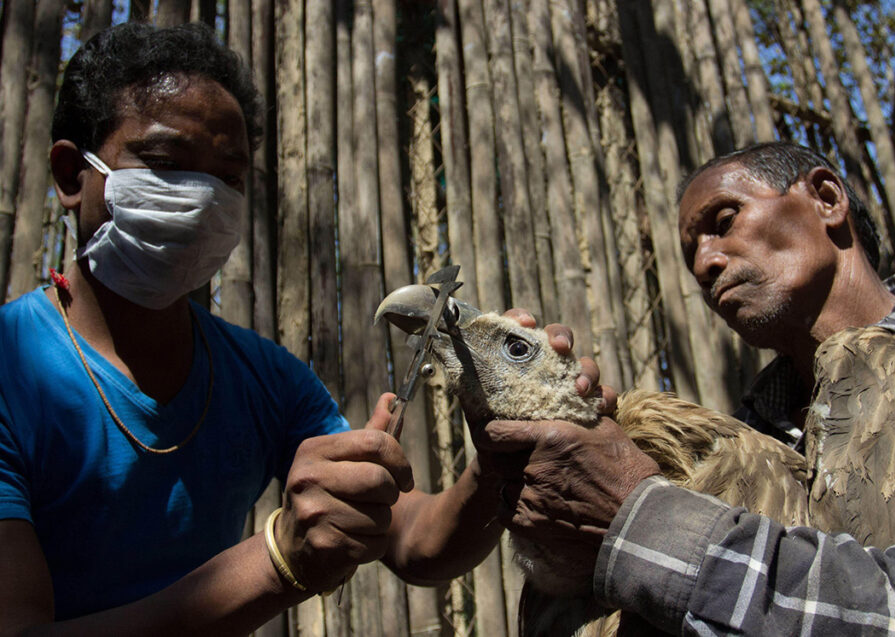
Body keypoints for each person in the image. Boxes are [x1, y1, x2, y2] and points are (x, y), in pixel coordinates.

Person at [0, 22, 604, 634]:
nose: (201, 198)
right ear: (73, 174)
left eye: (227, 178)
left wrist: (499, 459)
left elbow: (416, 543)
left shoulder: (263, 379)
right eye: (165, 163)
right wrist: (276, 562)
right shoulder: (9, 367)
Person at [478, 141, 895, 634]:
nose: (704, 263)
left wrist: (649, 526)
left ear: (827, 198)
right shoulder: (743, 439)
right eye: (692, 254)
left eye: (724, 219)